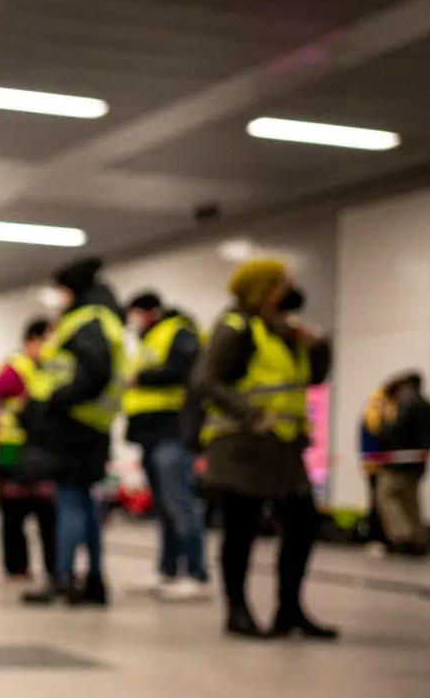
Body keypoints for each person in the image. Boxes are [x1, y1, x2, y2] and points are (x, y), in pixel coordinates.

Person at [191, 261, 335, 640]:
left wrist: (318, 346)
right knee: (242, 529)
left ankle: (290, 608)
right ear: (263, 288)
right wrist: (250, 414)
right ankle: (237, 610)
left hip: (284, 448)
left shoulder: (286, 331)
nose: (289, 289)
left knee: (303, 524)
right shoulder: (235, 327)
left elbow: (314, 377)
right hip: (241, 446)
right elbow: (206, 381)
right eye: (281, 283)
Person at [18, 257, 126, 608]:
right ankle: (94, 579)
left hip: (75, 426)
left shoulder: (88, 319)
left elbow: (93, 373)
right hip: (93, 426)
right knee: (83, 503)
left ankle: (62, 578)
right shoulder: (105, 318)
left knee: (70, 502)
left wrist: (55, 400)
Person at [122, 291, 208, 601]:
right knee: (163, 505)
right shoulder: (150, 338)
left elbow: (183, 371)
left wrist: (141, 378)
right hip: (150, 432)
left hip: (173, 430)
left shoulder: (179, 332)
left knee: (180, 502)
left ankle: (195, 572)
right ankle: (168, 569)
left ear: (150, 312)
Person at [0, 318, 56, 583]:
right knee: (13, 510)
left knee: (46, 509)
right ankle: (16, 567)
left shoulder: (45, 369)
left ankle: (53, 567)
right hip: (11, 448)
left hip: (39, 448)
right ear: (32, 341)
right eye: (46, 340)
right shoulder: (16, 369)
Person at [377, 371, 430, 556]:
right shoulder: (428, 406)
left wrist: (383, 430)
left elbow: (394, 431)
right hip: (418, 464)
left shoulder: (406, 405)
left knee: (386, 495)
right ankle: (419, 537)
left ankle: (402, 535)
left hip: (398, 463)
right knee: (411, 501)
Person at [359, 380, 398, 553]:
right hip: (377, 464)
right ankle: (376, 538)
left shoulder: (374, 405)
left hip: (373, 463)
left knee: (377, 501)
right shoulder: (379, 408)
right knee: (378, 503)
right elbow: (380, 432)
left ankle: (378, 537)